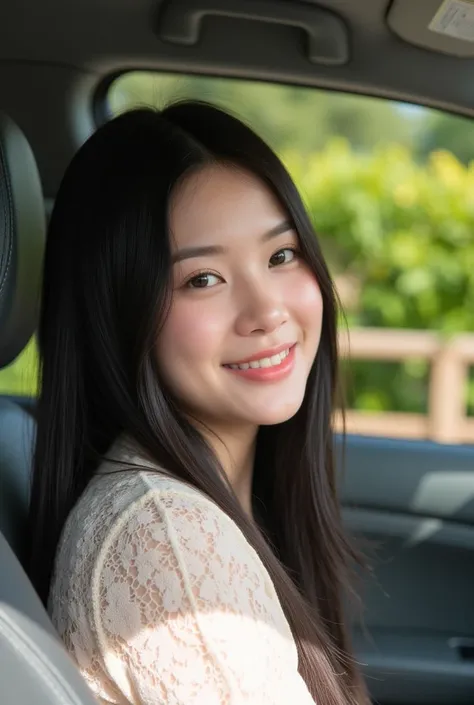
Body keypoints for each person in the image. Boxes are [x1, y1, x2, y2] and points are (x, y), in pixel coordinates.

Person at [27, 101, 368, 705]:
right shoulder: (169, 541)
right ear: (120, 313)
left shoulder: (195, 506)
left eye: (281, 255)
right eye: (202, 279)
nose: (267, 312)